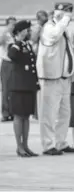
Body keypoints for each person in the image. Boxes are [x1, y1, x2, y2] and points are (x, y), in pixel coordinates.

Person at [37, 2, 74, 155]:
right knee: (48, 113)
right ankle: (47, 145)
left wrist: (72, 69)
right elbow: (54, 36)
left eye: (69, 12)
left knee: (64, 113)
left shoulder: (63, 29)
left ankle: (61, 142)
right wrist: (64, 20)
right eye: (65, 12)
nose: (68, 15)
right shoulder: (49, 27)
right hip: (50, 79)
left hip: (64, 78)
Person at [8, 20, 39, 157]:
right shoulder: (14, 45)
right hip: (18, 87)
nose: (29, 32)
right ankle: (19, 146)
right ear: (20, 32)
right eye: (27, 30)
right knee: (19, 116)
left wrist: (35, 83)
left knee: (26, 116)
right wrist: (18, 41)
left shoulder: (27, 45)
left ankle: (25, 145)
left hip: (28, 86)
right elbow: (12, 56)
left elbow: (32, 65)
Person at [0, 16, 17, 122]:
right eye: (12, 24)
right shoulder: (5, 34)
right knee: (6, 88)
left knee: (14, 89)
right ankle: (5, 113)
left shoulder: (16, 35)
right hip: (7, 63)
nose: (13, 26)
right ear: (7, 24)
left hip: (15, 64)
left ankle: (13, 111)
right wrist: (4, 34)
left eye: (15, 24)